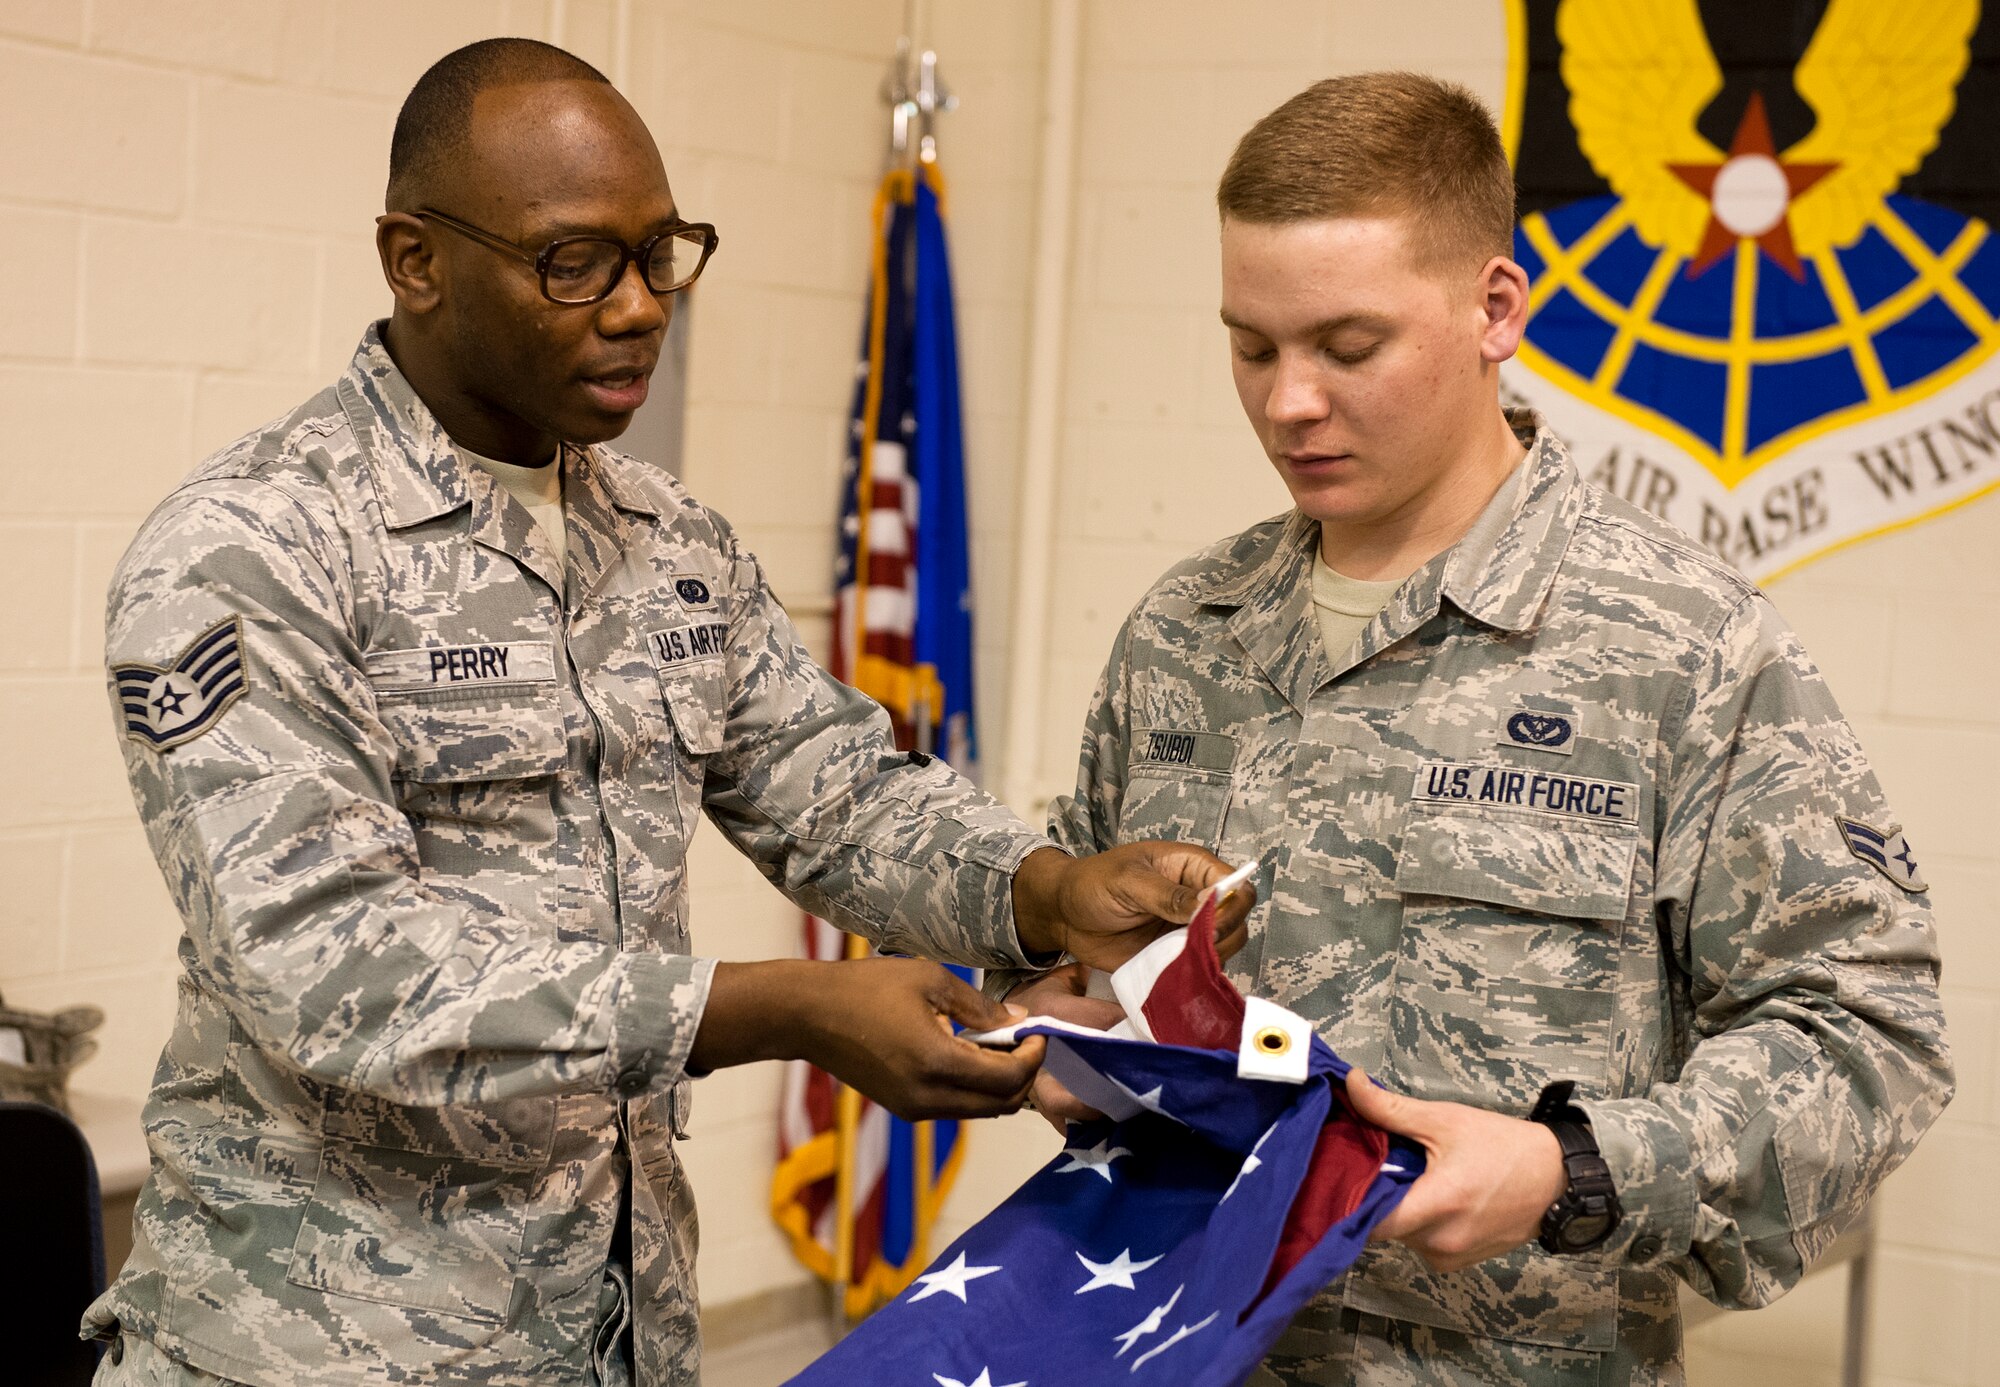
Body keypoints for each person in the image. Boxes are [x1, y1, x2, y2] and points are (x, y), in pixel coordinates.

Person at [84, 38, 1249, 1387]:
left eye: (663, 252)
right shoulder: (253, 550)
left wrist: (1050, 892)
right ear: (416, 259)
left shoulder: (668, 538)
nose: (639, 306)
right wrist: (780, 1009)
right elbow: (331, 968)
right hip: (316, 1350)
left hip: (615, 1337)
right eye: (573, 262)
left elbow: (838, 794)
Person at [1005, 72, 1952, 1385]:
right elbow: (1085, 939)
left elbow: (1870, 1036)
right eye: (1253, 345)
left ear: (1496, 308)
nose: (1289, 403)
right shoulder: (1187, 632)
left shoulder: (1680, 646)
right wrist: (1068, 1033)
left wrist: (1574, 1169)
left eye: (1347, 348)